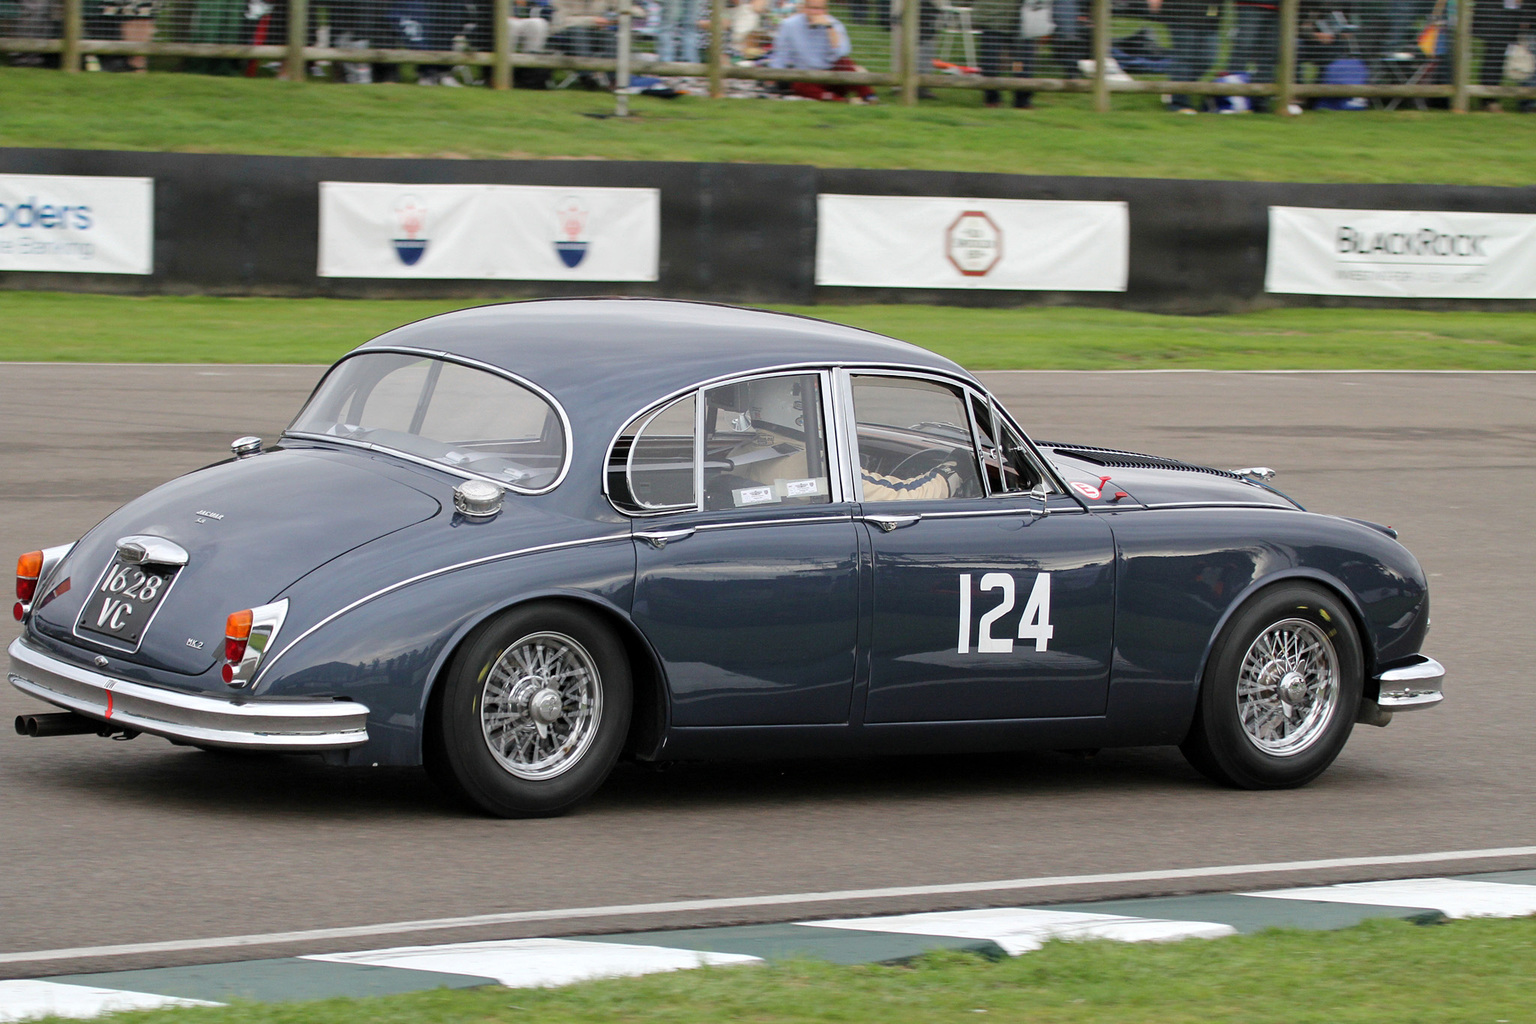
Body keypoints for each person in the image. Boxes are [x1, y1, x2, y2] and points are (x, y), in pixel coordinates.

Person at [768, 0, 877, 101]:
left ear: (826, 10)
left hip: (832, 76)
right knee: (799, 85)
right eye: (812, 8)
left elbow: (842, 53)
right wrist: (772, 79)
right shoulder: (789, 25)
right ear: (805, 8)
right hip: (807, 77)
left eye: (820, 9)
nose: (816, 12)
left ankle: (869, 97)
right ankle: (841, 101)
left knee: (845, 63)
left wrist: (829, 28)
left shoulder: (834, 24)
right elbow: (781, 54)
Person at [1148, 0, 1221, 112]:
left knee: (1207, 59)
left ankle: (1174, 90)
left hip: (1210, 16)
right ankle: (1179, 104)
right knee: (1184, 57)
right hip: (1181, 12)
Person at [971, 0, 1034, 109]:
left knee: (1019, 63)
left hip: (1022, 18)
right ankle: (992, 98)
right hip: (993, 18)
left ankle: (1021, 99)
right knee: (991, 61)